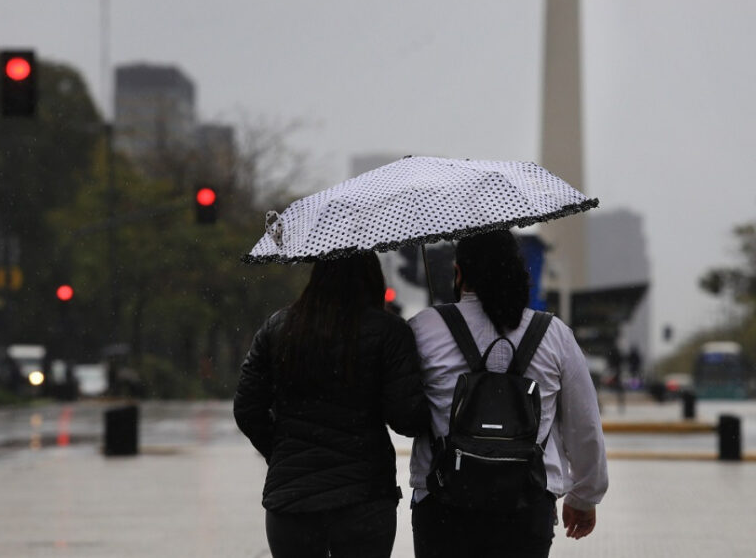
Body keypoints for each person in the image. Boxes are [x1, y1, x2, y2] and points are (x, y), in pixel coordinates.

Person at [408, 230, 609, 558]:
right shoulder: (553, 334)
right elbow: (584, 425)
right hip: (527, 506)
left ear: (458, 273)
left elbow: (406, 408)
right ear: (518, 274)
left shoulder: (424, 328)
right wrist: (584, 497)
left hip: (442, 503)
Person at [234, 253, 429, 558]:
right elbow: (406, 418)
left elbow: (247, 408)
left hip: (292, 501)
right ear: (372, 278)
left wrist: (283, 453)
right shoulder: (389, 332)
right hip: (364, 499)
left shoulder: (279, 327)